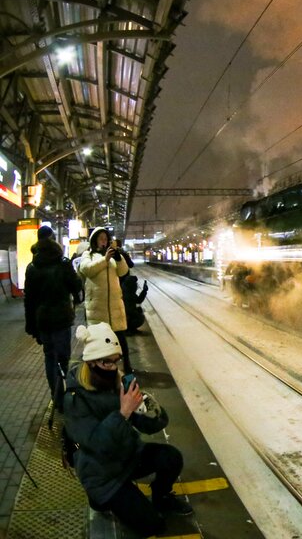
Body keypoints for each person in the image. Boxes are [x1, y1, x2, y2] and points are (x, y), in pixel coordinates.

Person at [64, 323, 192, 537]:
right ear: (91, 362)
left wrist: (149, 408)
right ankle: (99, 498)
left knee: (171, 457)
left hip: (128, 456)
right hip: (102, 473)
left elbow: (151, 426)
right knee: (152, 526)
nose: (113, 368)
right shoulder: (75, 399)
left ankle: (161, 497)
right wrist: (123, 412)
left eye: (116, 361)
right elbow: (97, 444)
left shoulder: (117, 383)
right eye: (106, 362)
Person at [24, 225, 83, 405]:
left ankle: (55, 396)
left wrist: (31, 325)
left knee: (49, 356)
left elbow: (29, 300)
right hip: (61, 319)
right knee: (63, 359)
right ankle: (63, 395)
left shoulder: (32, 267)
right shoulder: (63, 263)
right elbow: (77, 287)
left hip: (43, 320)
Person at [78, 227, 132, 372]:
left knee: (121, 341)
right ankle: (97, 372)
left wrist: (119, 258)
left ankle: (127, 370)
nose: (104, 241)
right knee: (99, 343)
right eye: (100, 238)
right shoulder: (88, 254)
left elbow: (123, 272)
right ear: (95, 240)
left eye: (105, 238)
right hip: (97, 308)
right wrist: (105, 259)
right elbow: (86, 269)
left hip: (115, 307)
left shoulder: (113, 256)